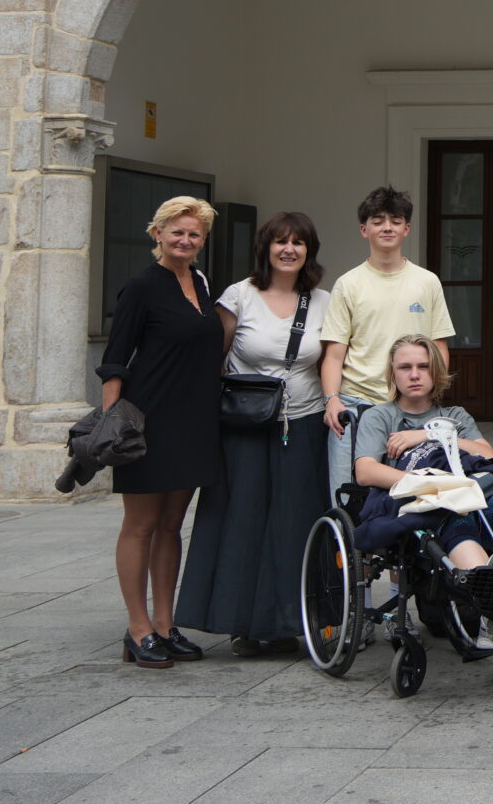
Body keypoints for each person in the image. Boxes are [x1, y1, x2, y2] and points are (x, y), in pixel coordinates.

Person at [178, 211, 330, 658]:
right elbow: (213, 359)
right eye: (279, 241)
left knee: (296, 523)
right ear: (264, 248)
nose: (288, 249)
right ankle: (241, 621)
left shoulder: (323, 301)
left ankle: (291, 622)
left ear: (309, 251)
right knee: (241, 522)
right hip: (244, 427)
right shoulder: (238, 296)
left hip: (302, 424)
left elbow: (332, 362)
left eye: (298, 243)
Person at [353, 336, 493, 648]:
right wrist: (429, 485)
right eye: (405, 367)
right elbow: (365, 472)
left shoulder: (455, 415)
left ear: (436, 373)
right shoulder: (381, 416)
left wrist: (425, 434)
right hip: (429, 507)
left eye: (423, 366)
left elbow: (485, 453)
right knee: (455, 513)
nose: (415, 374)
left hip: (472, 497)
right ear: (393, 373)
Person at [99, 196, 224, 669]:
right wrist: (113, 426)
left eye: (194, 234)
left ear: (202, 241)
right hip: (148, 422)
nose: (185, 240)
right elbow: (114, 361)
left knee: (172, 525)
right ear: (157, 233)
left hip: (194, 421)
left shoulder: (202, 283)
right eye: (177, 231)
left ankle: (166, 625)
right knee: (141, 524)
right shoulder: (140, 287)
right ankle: (137, 628)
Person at [320, 185, 454, 498]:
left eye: (395, 220)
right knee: (347, 497)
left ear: (406, 229)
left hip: (411, 408)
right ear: (364, 229)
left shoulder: (426, 281)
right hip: (356, 407)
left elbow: (439, 347)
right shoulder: (348, 284)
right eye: (378, 220)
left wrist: (432, 396)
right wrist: (331, 399)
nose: (387, 227)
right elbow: (334, 354)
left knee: (414, 494)